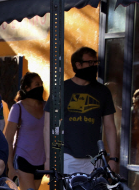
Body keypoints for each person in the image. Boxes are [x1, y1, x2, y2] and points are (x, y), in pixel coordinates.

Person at [44, 46, 118, 174]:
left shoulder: (103, 92)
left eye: (96, 62)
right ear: (78, 65)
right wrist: (50, 157)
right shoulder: (61, 90)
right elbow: (49, 126)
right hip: (66, 156)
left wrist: (113, 158)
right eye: (90, 63)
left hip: (94, 159)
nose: (94, 66)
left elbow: (110, 126)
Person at [4, 72, 46, 190]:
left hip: (41, 159)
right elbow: (8, 138)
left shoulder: (46, 107)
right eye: (37, 84)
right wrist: (10, 166)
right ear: (27, 88)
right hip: (23, 158)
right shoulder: (18, 108)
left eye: (41, 84)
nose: (40, 87)